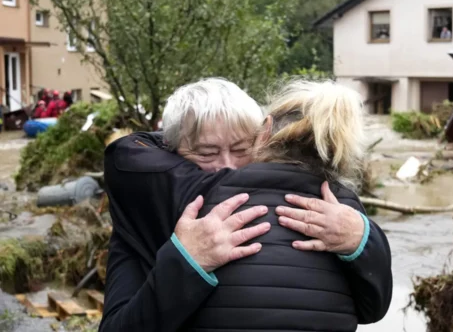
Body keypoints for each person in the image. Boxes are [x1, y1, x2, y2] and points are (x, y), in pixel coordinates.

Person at [101, 78, 392, 331]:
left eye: (241, 149)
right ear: (169, 152)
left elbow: (371, 308)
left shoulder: (338, 214)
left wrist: (361, 239)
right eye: (206, 152)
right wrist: (186, 262)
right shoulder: (148, 205)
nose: (226, 166)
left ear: (262, 137)